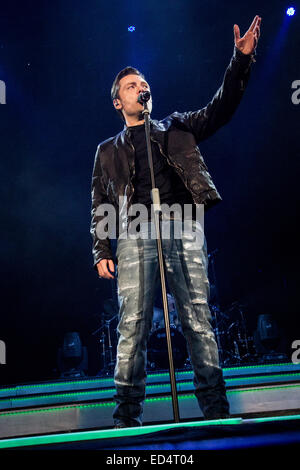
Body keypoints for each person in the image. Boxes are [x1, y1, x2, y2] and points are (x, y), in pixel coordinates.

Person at [90, 16, 261, 428]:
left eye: (142, 84)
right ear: (118, 102)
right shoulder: (106, 151)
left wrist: (239, 63)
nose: (140, 89)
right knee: (133, 324)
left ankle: (216, 412)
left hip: (182, 223)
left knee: (197, 316)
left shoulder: (178, 127)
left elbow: (222, 109)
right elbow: (98, 202)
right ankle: (127, 418)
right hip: (133, 231)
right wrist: (101, 249)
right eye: (131, 86)